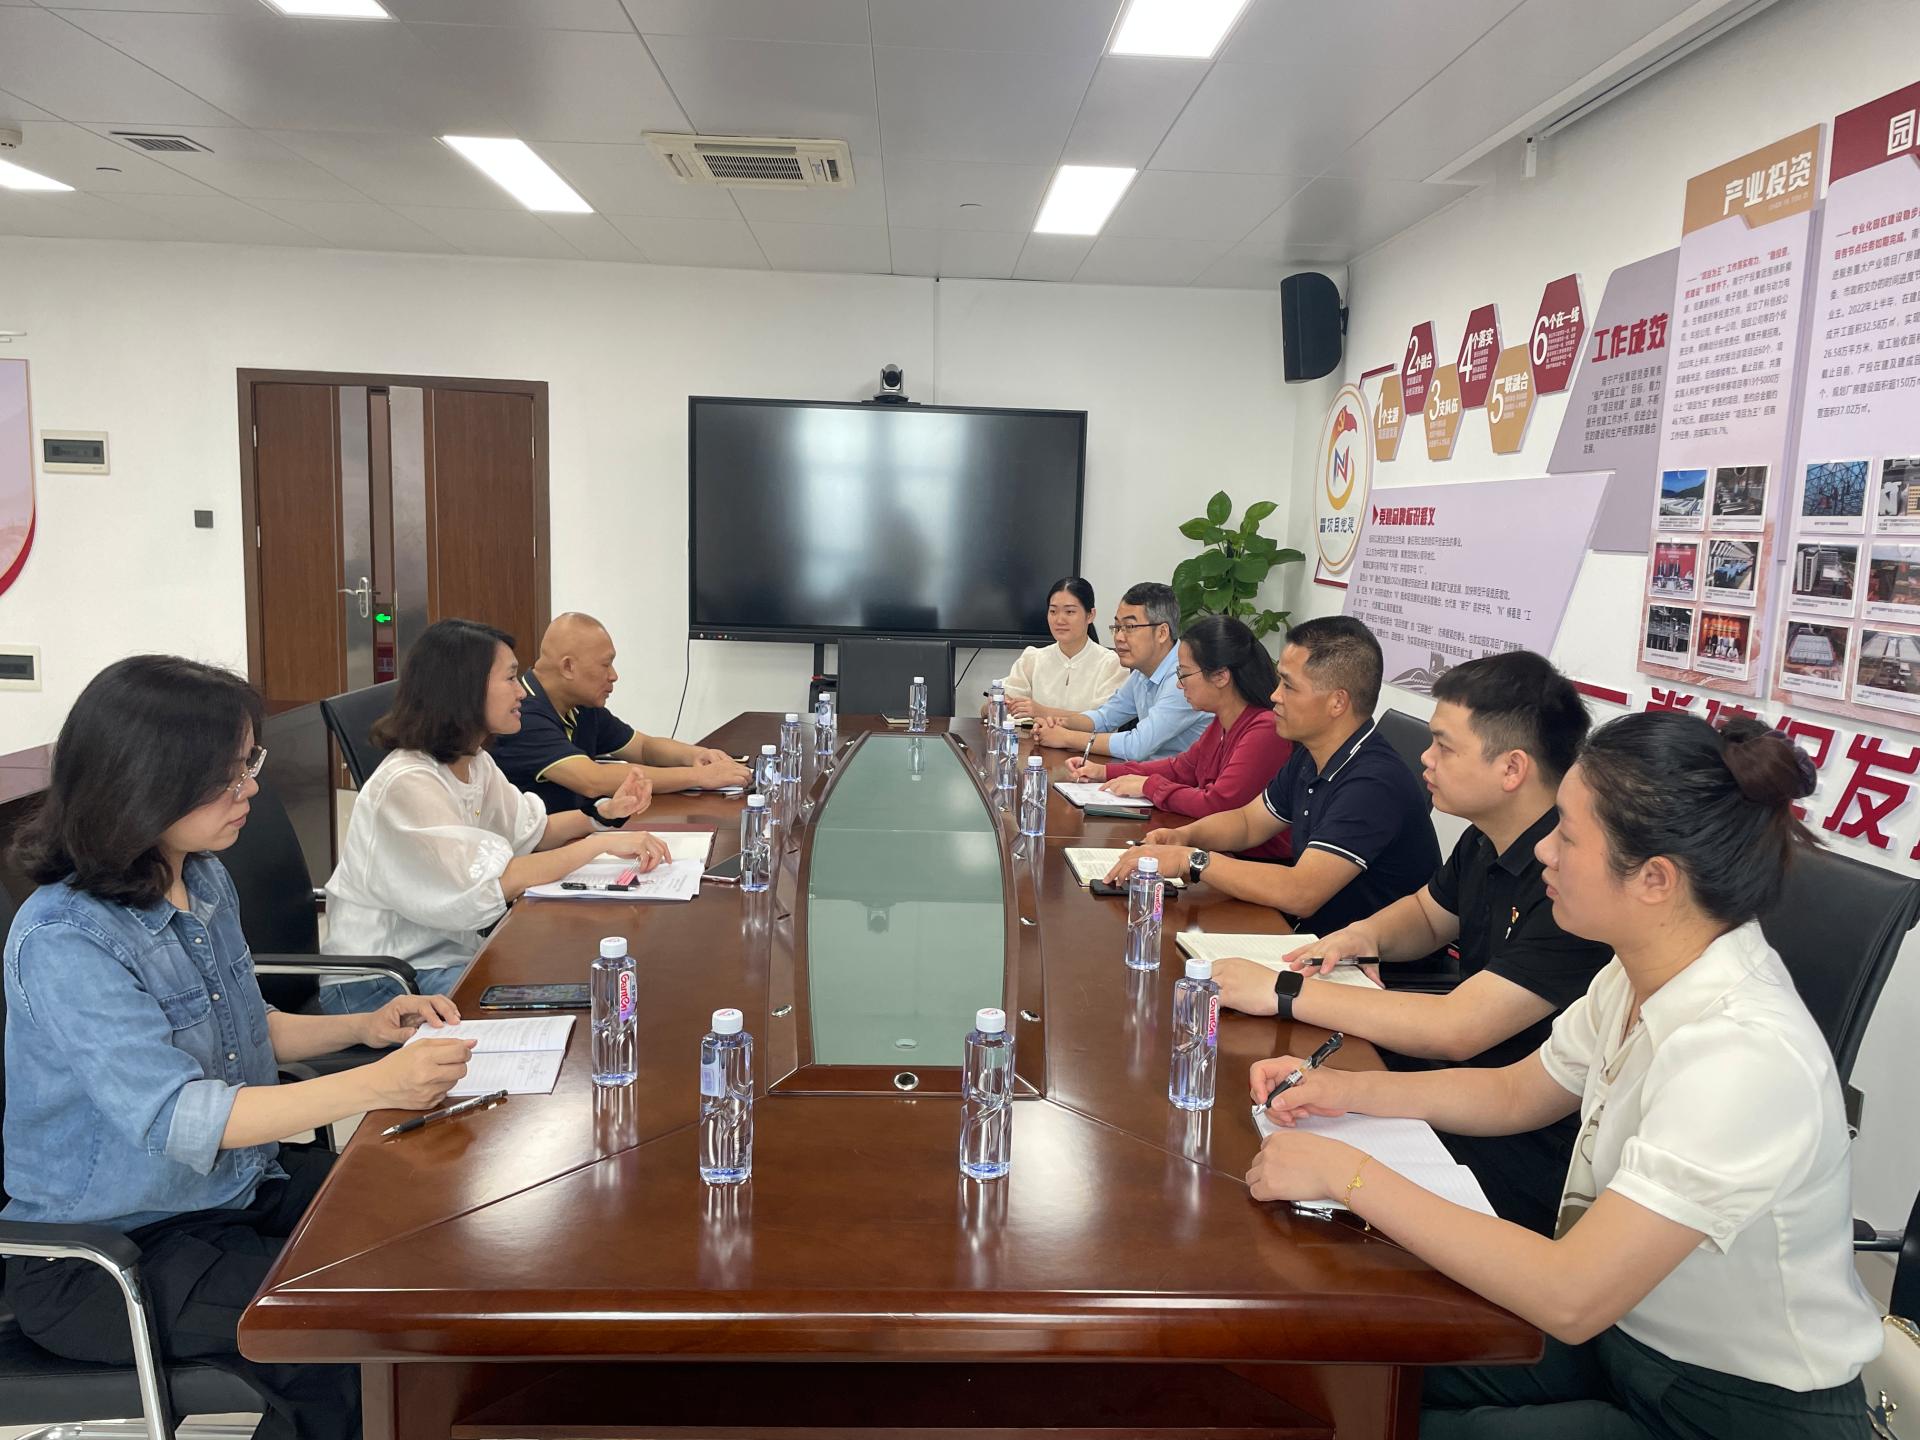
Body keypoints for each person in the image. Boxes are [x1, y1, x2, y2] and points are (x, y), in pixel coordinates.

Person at [1248, 713, 1883, 1440]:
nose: (1544, 849)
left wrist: (1347, 1175)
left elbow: (1570, 1294)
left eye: (1569, 836)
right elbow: (1517, 1091)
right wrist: (1346, 1091)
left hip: (1730, 1407)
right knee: (1346, 1367)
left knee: (1373, 1416)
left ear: (1655, 879)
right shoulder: (1636, 970)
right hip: (1624, 1336)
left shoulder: (1743, 1057)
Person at [3, 655, 481, 1440]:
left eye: (249, 764)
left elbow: (245, 1028)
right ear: (147, 781)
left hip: (234, 1192)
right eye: (227, 776)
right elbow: (181, 1116)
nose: (250, 788)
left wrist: (364, 1028)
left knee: (434, 1220)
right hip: (110, 1253)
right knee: (347, 1333)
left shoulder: (201, 878)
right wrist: (378, 1083)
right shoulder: (65, 938)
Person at [1212, 650, 1609, 1233]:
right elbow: (1427, 914)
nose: (1425, 757)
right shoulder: (1487, 837)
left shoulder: (1571, 883)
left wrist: (1283, 989)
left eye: (1444, 746)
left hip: (1517, 1142)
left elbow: (1458, 1028)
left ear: (1512, 769)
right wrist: (1361, 936)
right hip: (1459, 1092)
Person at [322, 618, 671, 1010]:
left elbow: (533, 832)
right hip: (381, 982)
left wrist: (602, 814)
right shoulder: (407, 783)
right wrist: (598, 845)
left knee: (579, 984)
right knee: (564, 998)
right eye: (509, 678)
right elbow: (494, 883)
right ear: (466, 689)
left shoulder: (474, 762)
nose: (521, 691)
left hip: (445, 959)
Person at [1104, 615, 1437, 936]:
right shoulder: (1311, 754)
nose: (1275, 695)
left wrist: (1191, 860)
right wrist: (1183, 837)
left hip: (1362, 961)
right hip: (1310, 938)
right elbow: (1248, 823)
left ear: (1337, 702)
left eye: (1289, 686)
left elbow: (1301, 892)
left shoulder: (1371, 784)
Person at [1064, 613, 1291, 860]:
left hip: (1256, 863)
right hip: (1219, 851)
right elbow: (1181, 768)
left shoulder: (1265, 729)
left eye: (1184, 674)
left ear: (1221, 676)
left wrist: (1149, 786)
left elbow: (1217, 804)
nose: (1179, 685)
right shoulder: (1221, 722)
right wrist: (1105, 772)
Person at [493, 612, 752, 817]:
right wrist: (700, 777)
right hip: (540, 851)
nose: (614, 675)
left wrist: (696, 755)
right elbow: (592, 780)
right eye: (605, 664)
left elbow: (643, 747)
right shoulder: (523, 714)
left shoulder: (580, 705)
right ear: (568, 667)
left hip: (581, 833)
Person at [1031, 581, 1209, 762]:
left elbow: (1137, 746)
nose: (1119, 637)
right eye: (1117, 627)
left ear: (1162, 633)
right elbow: (1105, 717)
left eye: (1130, 627)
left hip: (1188, 778)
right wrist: (1061, 724)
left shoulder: (1185, 677)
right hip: (1149, 773)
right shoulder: (1142, 672)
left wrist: (1066, 737)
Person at [983, 576, 1125, 722]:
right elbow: (990, 709)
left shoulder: (1111, 664)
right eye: (1053, 611)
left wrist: (1042, 712)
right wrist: (996, 704)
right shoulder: (1033, 659)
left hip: (1087, 739)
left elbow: (1105, 719)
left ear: (1090, 615)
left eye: (1069, 612)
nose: (1059, 620)